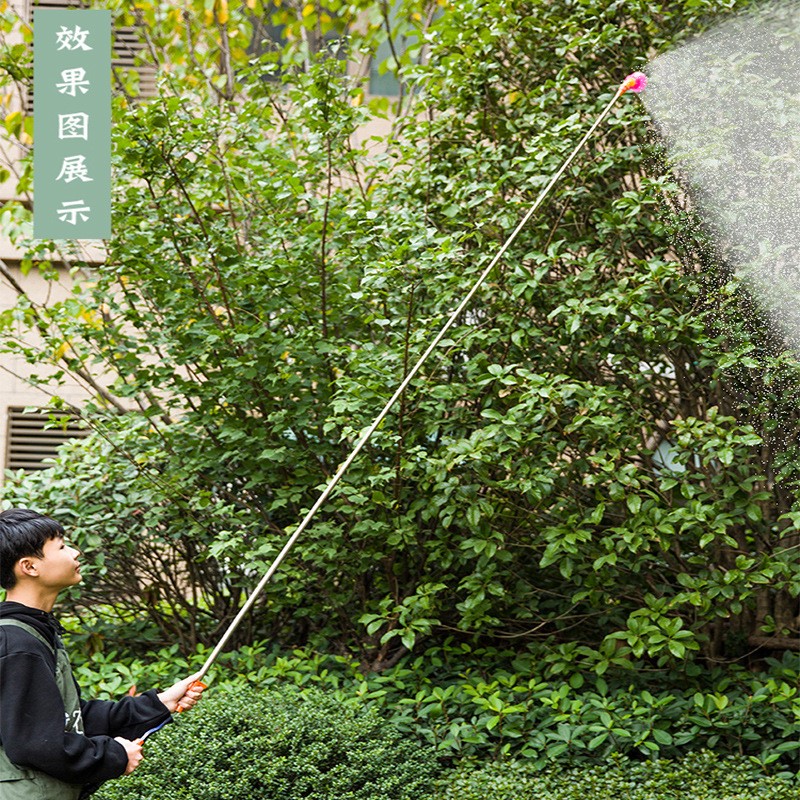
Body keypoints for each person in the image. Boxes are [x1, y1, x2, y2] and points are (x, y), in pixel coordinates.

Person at [0, 507, 206, 799]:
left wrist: (159, 703)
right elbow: (35, 743)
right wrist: (114, 755)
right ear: (29, 567)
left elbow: (70, 718)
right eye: (61, 546)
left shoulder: (34, 631)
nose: (76, 553)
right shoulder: (17, 643)